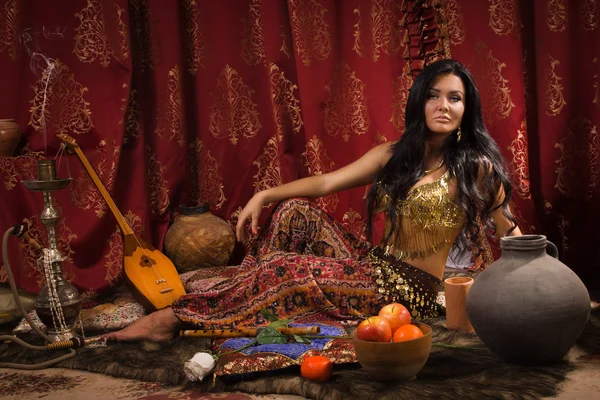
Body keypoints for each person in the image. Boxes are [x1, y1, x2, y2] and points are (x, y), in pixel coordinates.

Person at [108, 59, 521, 342]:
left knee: (290, 268)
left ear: (467, 110)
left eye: (455, 98)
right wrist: (264, 194)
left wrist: (539, 279)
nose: (443, 106)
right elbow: (325, 183)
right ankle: (248, 294)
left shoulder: (476, 168)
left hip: (410, 292)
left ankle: (173, 319)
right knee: (294, 214)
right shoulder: (395, 154)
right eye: (435, 95)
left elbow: (512, 234)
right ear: (420, 101)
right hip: (376, 265)